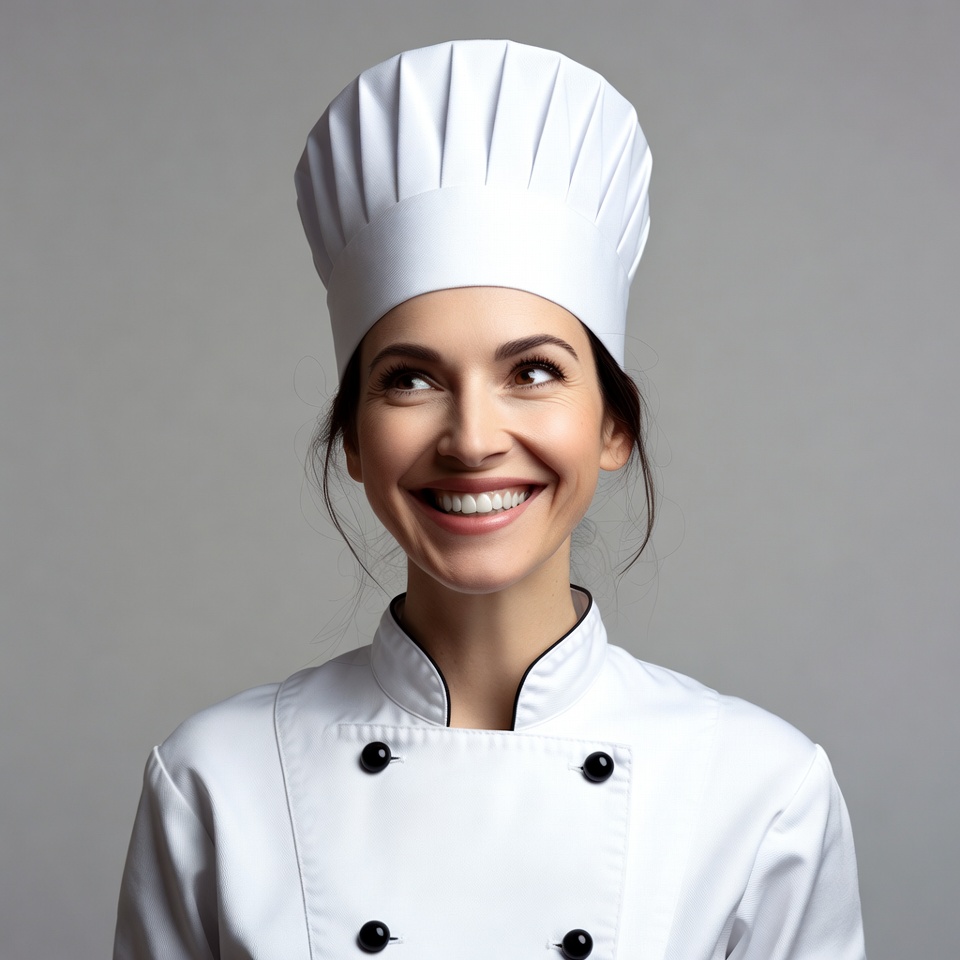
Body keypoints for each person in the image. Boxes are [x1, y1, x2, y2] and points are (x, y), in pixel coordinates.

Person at [114, 39, 866, 959]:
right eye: (410, 380)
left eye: (535, 372)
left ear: (612, 428)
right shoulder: (211, 785)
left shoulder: (762, 794)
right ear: (355, 438)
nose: (471, 438)